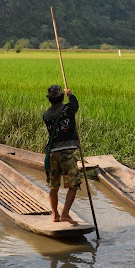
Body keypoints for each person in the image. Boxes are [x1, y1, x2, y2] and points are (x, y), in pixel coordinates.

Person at [42, 85, 83, 225]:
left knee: (53, 186)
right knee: (74, 184)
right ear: (61, 97)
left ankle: (55, 215)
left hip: (52, 153)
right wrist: (70, 94)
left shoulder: (46, 115)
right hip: (67, 153)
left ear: (50, 99)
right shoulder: (68, 109)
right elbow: (75, 104)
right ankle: (65, 213)